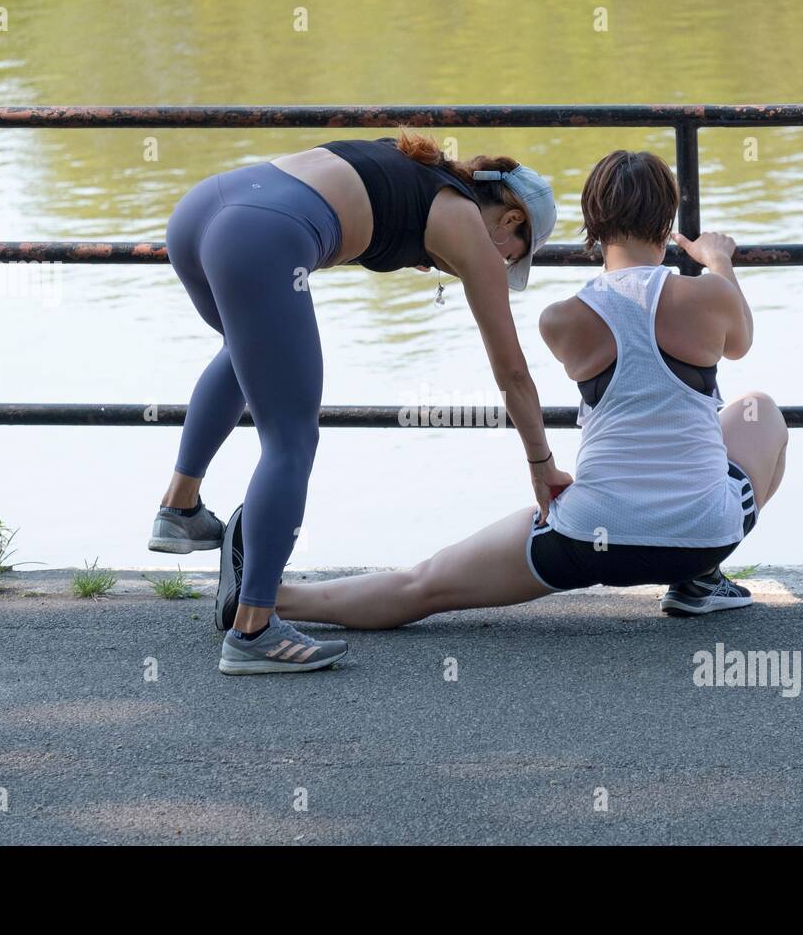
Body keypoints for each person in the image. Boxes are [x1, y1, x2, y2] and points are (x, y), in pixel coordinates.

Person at [243, 150, 788, 636]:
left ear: (593, 225)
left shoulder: (561, 320)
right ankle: (699, 578)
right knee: (758, 410)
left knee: (424, 585)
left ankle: (265, 599)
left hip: (587, 537)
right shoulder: (710, 296)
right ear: (667, 222)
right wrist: (718, 260)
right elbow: (739, 343)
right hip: (705, 533)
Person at [152, 130, 569, 674]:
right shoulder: (466, 222)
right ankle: (253, 630)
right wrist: (541, 464)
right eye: (514, 254)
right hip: (259, 237)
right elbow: (512, 372)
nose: (506, 265)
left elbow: (361, 201)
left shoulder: (417, 167)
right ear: (511, 220)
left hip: (201, 212)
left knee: (243, 349)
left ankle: (180, 509)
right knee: (291, 438)